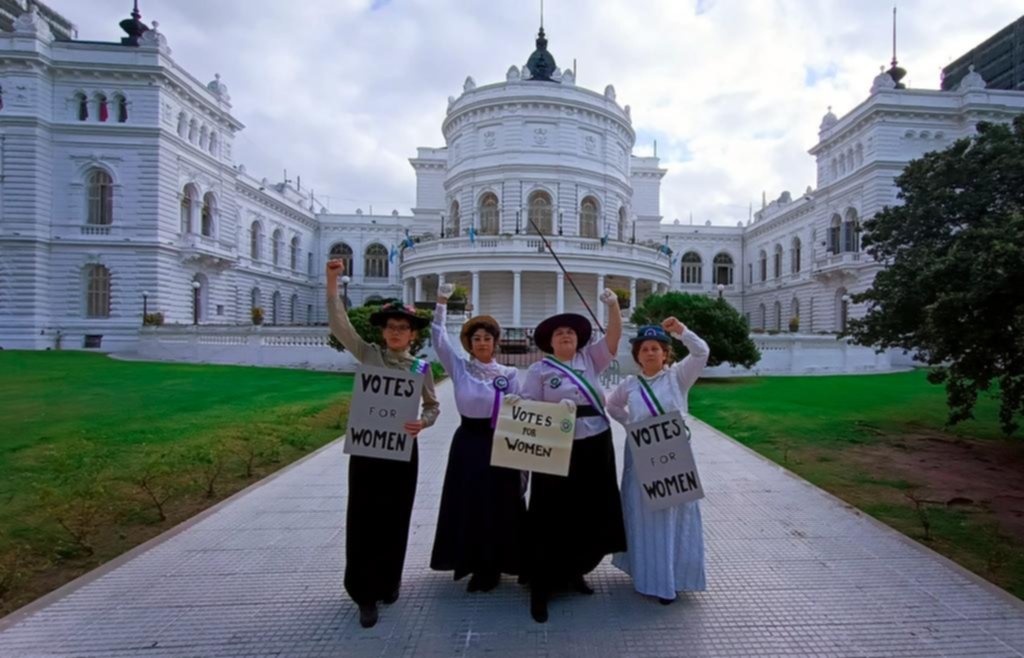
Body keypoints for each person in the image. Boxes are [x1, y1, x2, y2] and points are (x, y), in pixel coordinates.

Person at [326, 259, 440, 629]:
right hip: (367, 450)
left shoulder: (420, 368)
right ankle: (364, 592)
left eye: (402, 328)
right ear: (384, 332)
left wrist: (421, 423)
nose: (396, 333)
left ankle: (389, 581)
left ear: (412, 335)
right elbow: (340, 328)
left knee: (395, 516)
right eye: (391, 327)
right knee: (363, 518)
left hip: (403, 451)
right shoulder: (370, 355)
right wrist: (332, 283)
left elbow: (434, 406)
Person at [518, 289, 625, 623]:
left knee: (588, 509)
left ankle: (575, 570)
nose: (565, 335)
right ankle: (543, 583)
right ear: (550, 342)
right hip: (555, 447)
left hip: (595, 441)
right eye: (559, 333)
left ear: (578, 339)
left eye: (570, 332)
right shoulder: (538, 371)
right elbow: (525, 412)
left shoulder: (590, 359)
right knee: (550, 512)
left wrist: (613, 306)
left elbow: (614, 337)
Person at [429, 284, 527, 591]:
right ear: (469, 344)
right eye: (476, 338)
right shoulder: (459, 368)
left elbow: (521, 408)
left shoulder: (508, 374)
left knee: (501, 504)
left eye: (487, 338)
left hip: (501, 442)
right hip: (469, 443)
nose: (482, 342)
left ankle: (503, 561)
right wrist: (441, 303)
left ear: (495, 343)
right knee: (470, 503)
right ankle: (475, 564)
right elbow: (439, 339)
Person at [606, 318, 710, 604]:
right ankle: (647, 576)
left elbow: (701, 352)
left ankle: (673, 579)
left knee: (673, 516)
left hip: (674, 457)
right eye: (644, 349)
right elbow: (612, 405)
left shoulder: (678, 377)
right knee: (644, 516)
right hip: (640, 456)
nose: (650, 353)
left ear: (665, 353)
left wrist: (680, 331)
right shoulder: (630, 384)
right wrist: (630, 425)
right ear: (637, 356)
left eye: (655, 348)